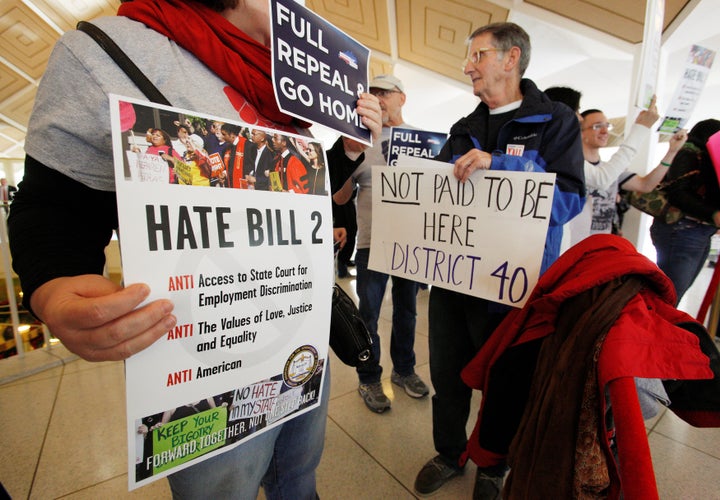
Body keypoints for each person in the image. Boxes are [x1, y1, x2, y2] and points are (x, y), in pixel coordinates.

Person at [7, 0, 381, 498]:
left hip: (298, 333)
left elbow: (296, 188)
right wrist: (55, 285)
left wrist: (349, 149)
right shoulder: (105, 52)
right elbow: (54, 204)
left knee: (299, 475)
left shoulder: (295, 86)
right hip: (206, 356)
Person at [413, 23, 585, 498]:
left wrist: (502, 165)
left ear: (511, 59)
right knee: (448, 375)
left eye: (478, 54)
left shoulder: (556, 122)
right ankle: (449, 452)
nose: (468, 65)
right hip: (452, 278)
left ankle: (494, 463)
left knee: (505, 383)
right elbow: (437, 197)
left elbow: (568, 200)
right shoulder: (462, 128)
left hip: (514, 285)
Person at [328, 74, 430, 413]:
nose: (378, 98)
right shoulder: (360, 141)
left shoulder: (424, 142)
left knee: (407, 311)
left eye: (385, 92)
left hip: (411, 243)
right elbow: (340, 195)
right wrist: (345, 178)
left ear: (402, 97)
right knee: (368, 314)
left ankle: (405, 370)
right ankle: (369, 377)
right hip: (373, 243)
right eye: (372, 93)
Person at [568, 98, 688, 244]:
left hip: (602, 243)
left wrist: (672, 152)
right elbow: (602, 179)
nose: (605, 131)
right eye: (597, 126)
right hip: (574, 243)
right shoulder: (572, 167)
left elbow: (645, 185)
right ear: (580, 132)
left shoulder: (612, 169)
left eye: (607, 125)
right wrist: (641, 128)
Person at [650, 119, 720, 303]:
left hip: (698, 231)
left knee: (673, 295)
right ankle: (652, 330)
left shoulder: (700, 156)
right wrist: (713, 214)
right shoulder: (688, 153)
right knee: (668, 297)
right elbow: (678, 193)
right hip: (681, 230)